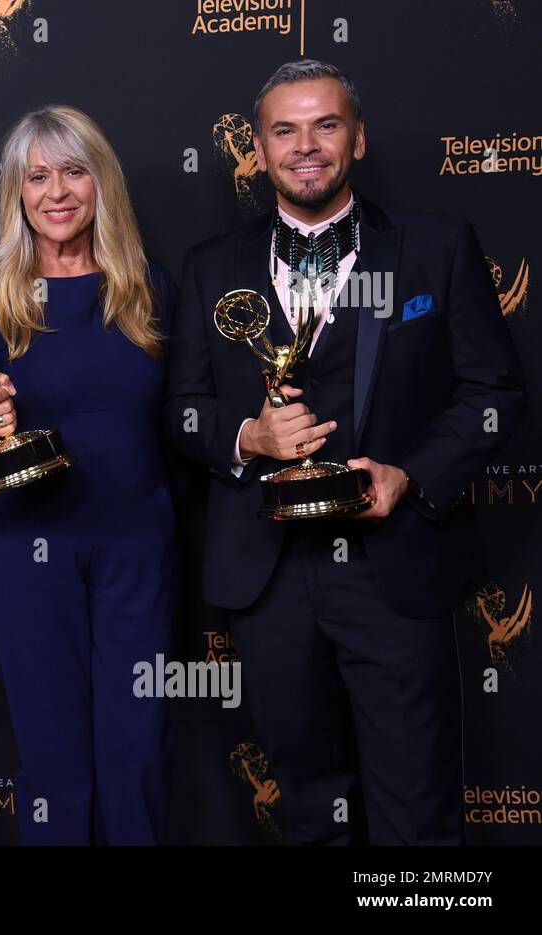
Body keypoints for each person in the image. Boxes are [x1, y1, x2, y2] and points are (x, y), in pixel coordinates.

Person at [164, 59, 526, 844]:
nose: (306, 146)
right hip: (269, 574)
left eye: (325, 125)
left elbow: (495, 395)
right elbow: (181, 412)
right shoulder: (209, 269)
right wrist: (247, 434)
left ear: (358, 139)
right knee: (307, 803)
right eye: (284, 130)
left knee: (417, 806)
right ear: (256, 151)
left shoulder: (437, 248)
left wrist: (412, 474)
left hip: (393, 567)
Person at [0, 105, 176, 845]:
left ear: (102, 184)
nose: (56, 192)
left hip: (136, 549)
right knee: (55, 756)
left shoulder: (146, 289)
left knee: (139, 751)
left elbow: (185, 423)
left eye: (74, 172)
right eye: (37, 176)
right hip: (24, 550)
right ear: (16, 192)